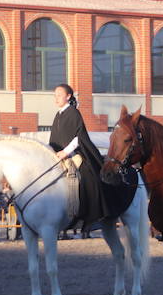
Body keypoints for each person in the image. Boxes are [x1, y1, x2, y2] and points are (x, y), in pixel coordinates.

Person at [49, 83, 132, 228]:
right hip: (59, 156)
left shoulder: (73, 113)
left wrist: (65, 152)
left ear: (68, 96)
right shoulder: (58, 115)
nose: (56, 98)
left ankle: (89, 213)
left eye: (59, 95)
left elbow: (78, 137)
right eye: (55, 95)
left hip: (75, 154)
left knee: (88, 175)